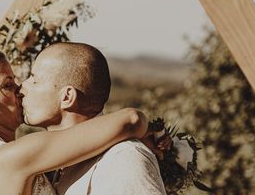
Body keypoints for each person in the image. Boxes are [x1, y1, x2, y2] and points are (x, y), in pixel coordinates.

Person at [0, 45, 148, 195]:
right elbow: (131, 119)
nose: (20, 89)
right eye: (7, 85)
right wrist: (144, 130)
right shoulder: (12, 157)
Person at [20, 42, 167, 194]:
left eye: (34, 80)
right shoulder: (54, 160)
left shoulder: (123, 159)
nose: (22, 87)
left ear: (67, 97)